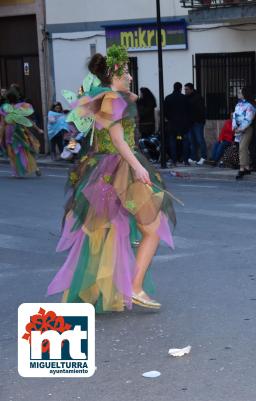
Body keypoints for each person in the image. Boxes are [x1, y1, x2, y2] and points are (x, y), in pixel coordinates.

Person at [47, 45, 176, 311]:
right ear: (114, 72)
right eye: (126, 71)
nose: (130, 75)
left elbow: (134, 96)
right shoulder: (113, 99)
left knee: (106, 233)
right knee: (152, 227)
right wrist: (138, 168)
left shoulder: (106, 96)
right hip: (120, 167)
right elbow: (118, 139)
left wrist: (124, 89)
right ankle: (135, 287)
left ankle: (100, 290)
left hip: (105, 167)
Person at [0, 90, 41, 177]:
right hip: (21, 129)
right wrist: (38, 129)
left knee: (12, 151)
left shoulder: (4, 108)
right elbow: (28, 120)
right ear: (17, 97)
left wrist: (0, 137)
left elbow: (2, 124)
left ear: (7, 98)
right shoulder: (22, 107)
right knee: (25, 149)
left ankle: (15, 171)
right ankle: (36, 168)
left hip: (9, 130)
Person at [164, 82, 191, 166]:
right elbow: (188, 111)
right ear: (180, 88)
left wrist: (169, 118)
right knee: (184, 141)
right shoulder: (184, 98)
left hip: (172, 125)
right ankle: (185, 160)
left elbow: (165, 111)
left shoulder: (168, 98)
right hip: (183, 126)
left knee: (173, 142)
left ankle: (174, 161)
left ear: (173, 87)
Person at [233, 86, 256, 179]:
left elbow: (249, 118)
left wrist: (241, 127)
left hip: (247, 128)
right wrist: (235, 126)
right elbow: (234, 116)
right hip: (239, 129)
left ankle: (242, 168)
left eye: (240, 92)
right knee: (243, 148)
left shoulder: (250, 105)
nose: (238, 94)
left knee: (242, 147)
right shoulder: (238, 104)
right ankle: (246, 167)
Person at [184, 83, 207, 165]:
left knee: (200, 140)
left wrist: (200, 120)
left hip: (197, 122)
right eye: (185, 89)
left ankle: (203, 157)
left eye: (186, 89)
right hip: (190, 123)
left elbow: (200, 110)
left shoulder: (197, 97)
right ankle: (194, 157)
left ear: (191, 89)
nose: (185, 91)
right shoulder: (186, 98)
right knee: (192, 141)